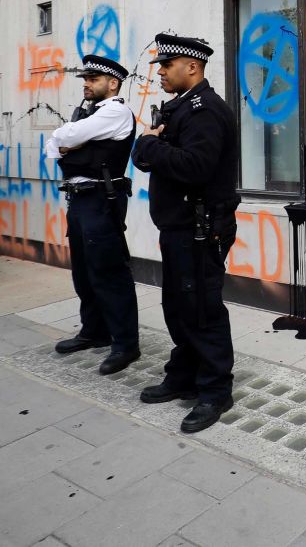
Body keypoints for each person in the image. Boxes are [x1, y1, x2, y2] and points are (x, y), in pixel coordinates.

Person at [132, 33, 240, 433]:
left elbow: (195, 166)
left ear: (191, 67)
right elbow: (158, 159)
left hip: (200, 227)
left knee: (202, 309)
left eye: (166, 65)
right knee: (179, 306)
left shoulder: (205, 110)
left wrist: (147, 145)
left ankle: (214, 390)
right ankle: (184, 373)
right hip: (180, 226)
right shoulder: (182, 109)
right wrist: (150, 148)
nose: (160, 71)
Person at [47, 55, 140, 375]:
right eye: (85, 78)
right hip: (80, 199)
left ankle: (126, 344)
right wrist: (66, 139)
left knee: (109, 273)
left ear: (112, 84)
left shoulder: (115, 110)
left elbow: (64, 138)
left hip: (102, 199)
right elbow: (53, 146)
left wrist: (68, 139)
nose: (86, 83)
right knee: (84, 272)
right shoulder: (87, 113)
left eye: (93, 79)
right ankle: (94, 331)